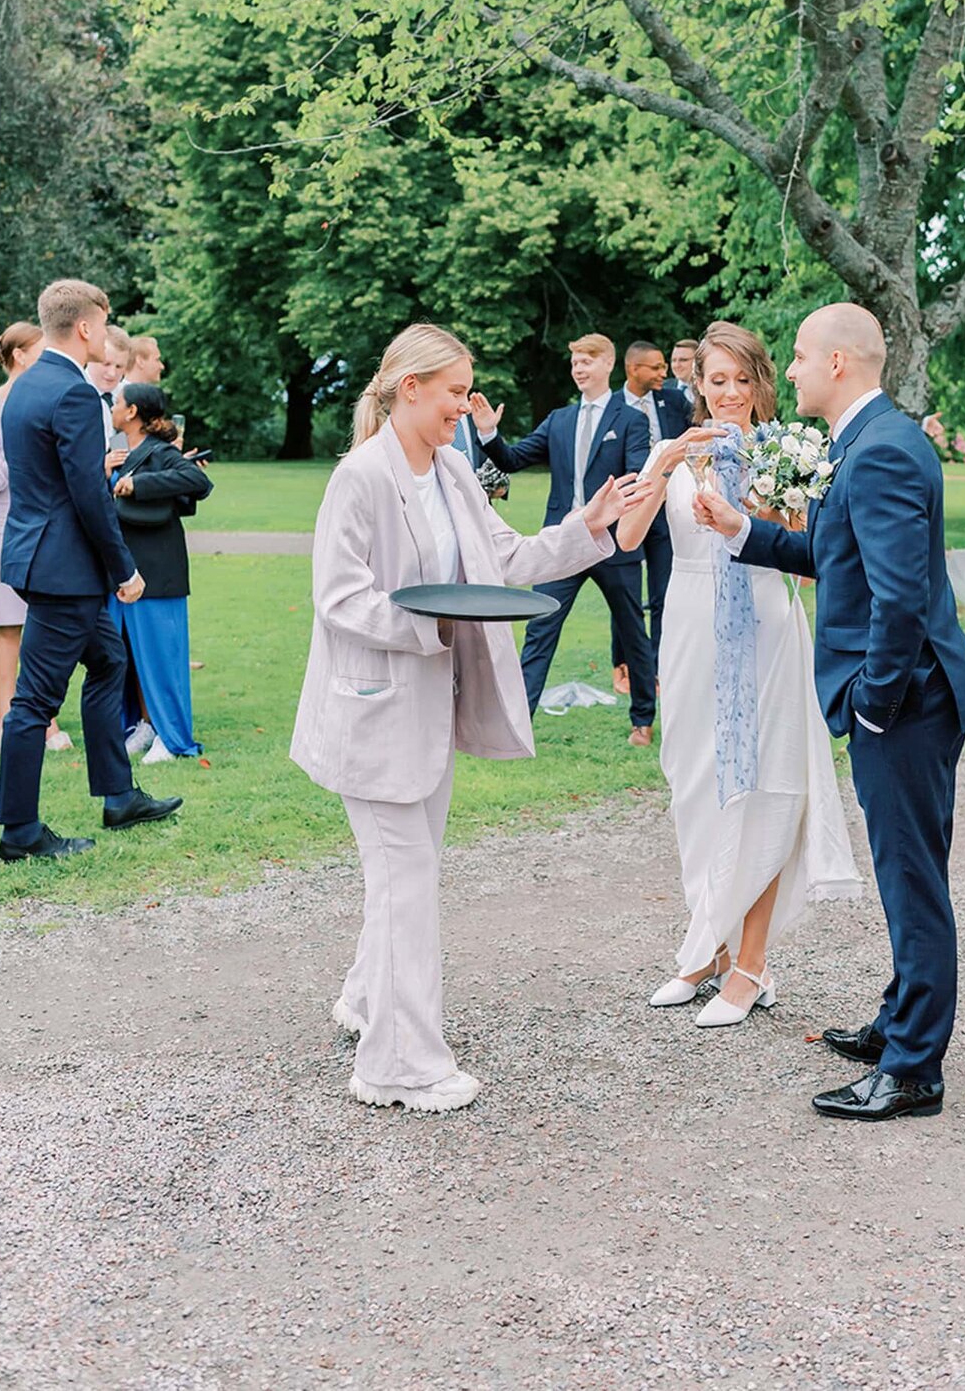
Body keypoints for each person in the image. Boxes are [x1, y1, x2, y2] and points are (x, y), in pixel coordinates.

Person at [289, 322, 652, 1113]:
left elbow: (509, 562)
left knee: (404, 874)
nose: (467, 404)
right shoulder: (360, 477)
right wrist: (434, 626)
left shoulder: (453, 472)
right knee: (406, 881)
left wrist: (586, 529)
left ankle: (362, 1000)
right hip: (373, 715)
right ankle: (397, 1066)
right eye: (455, 391)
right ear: (409, 387)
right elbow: (340, 598)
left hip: (430, 712)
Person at [696, 303, 965, 1120]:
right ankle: (900, 1020)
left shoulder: (885, 450)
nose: (785, 371)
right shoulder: (860, 442)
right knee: (906, 873)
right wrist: (741, 529)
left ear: (836, 364)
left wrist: (874, 702)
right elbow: (833, 557)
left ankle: (913, 1071)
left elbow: (898, 603)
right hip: (901, 700)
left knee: (912, 881)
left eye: (795, 357)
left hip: (907, 704)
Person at [617, 321, 862, 1028]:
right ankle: (711, 946)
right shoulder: (674, 450)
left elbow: (800, 543)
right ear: (698, 384)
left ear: (760, 384)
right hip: (691, 621)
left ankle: (749, 966)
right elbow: (627, 539)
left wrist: (747, 502)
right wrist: (668, 463)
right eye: (716, 381)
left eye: (741, 381)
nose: (728, 393)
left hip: (765, 621)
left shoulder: (786, 451)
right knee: (695, 782)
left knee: (761, 787)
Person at [0, 279, 182, 860]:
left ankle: (119, 796)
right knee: (33, 703)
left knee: (109, 661)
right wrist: (124, 569)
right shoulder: (73, 392)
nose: (106, 334)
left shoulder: (25, 386)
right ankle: (20, 834)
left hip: (38, 556)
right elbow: (87, 494)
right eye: (104, 324)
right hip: (64, 570)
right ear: (84, 327)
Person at [469, 332, 658, 745]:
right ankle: (517, 723)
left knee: (631, 631)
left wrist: (607, 515)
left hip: (612, 544)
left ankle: (642, 720)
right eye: (574, 362)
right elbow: (514, 459)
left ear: (608, 365)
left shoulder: (631, 420)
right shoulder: (560, 419)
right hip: (562, 543)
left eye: (587, 361)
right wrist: (488, 435)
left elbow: (637, 477)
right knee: (540, 627)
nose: (579, 368)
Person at [0, 324, 72, 752]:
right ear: (19, 355)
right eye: (40, 351)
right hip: (2, 527)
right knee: (7, 625)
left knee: (42, 624)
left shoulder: (45, 401)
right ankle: (6, 720)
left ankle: (44, 719)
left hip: (45, 526)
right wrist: (23, 463)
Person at [109, 382, 213, 764]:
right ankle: (146, 725)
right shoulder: (118, 453)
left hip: (158, 570)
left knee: (162, 657)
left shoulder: (158, 453)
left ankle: (172, 736)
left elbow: (199, 483)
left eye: (117, 403)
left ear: (132, 411)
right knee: (132, 658)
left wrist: (138, 484)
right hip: (123, 573)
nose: (113, 409)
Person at [612, 340, 692, 690]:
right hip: (627, 508)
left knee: (663, 591)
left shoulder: (674, 401)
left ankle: (660, 665)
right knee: (625, 595)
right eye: (657, 367)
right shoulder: (611, 408)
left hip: (667, 507)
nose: (666, 373)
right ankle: (626, 662)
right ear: (633, 369)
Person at [87, 323, 132, 462]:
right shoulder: (76, 394)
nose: (112, 374)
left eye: (119, 367)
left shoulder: (128, 394)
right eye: (106, 364)